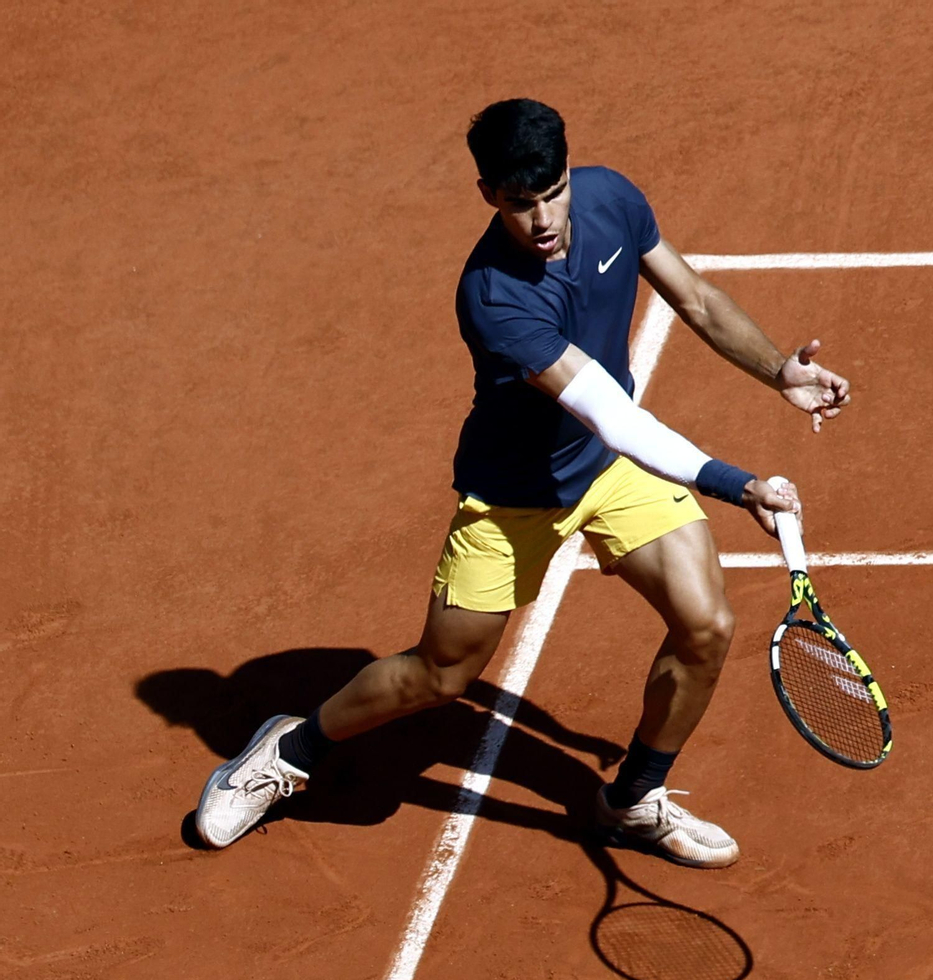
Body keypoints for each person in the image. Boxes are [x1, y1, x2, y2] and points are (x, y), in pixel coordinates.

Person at [193, 98, 850, 868]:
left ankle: (633, 796)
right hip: (513, 499)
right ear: (488, 195)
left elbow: (696, 298)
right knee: (442, 674)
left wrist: (780, 371)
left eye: (551, 192)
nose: (540, 218)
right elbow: (609, 411)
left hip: (609, 473)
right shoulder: (495, 295)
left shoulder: (613, 197)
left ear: (569, 171)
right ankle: (288, 748)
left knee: (706, 625)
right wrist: (736, 483)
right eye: (517, 202)